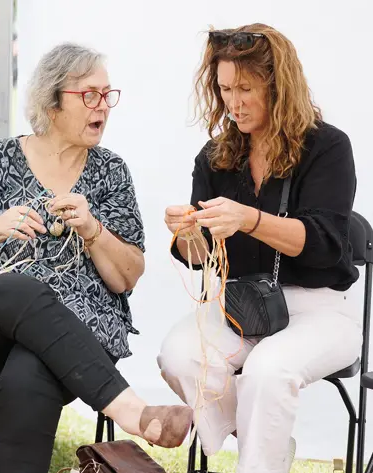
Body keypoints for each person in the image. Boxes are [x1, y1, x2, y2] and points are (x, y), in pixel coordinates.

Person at [0, 42, 193, 473]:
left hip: (67, 337)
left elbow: (127, 278)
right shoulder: (0, 159)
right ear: (51, 102)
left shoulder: (111, 173)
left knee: (29, 376)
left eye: (107, 95)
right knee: (18, 288)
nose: (102, 106)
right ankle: (132, 412)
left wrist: (94, 231)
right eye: (89, 95)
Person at [158, 23, 360, 473]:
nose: (233, 102)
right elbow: (199, 254)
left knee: (269, 372)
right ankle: (264, 447)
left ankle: (258, 463)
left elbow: (326, 245)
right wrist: (186, 233)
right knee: (177, 356)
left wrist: (249, 218)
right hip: (241, 305)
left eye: (246, 88)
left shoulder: (327, 147)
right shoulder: (216, 156)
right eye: (225, 88)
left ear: (278, 85)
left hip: (320, 309)